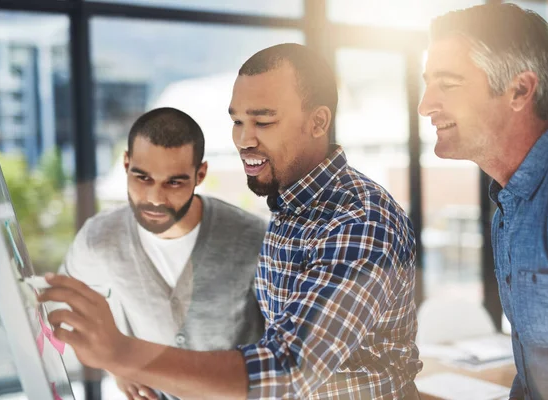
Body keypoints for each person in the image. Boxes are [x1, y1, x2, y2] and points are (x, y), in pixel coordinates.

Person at [41, 44, 422, 399]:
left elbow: (289, 367)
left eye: (264, 122)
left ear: (319, 121)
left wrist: (124, 354)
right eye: (237, 121)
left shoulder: (360, 219)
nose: (243, 139)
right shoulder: (287, 208)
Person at [418, 4, 548, 399]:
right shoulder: (509, 205)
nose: (426, 105)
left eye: (448, 84)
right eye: (427, 84)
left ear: (520, 90)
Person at [58, 107, 266, 400]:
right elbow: (62, 309)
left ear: (200, 174)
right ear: (126, 164)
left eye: (174, 182)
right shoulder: (100, 238)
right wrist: (116, 366)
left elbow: (283, 353)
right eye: (142, 178)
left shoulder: (255, 238)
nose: (155, 198)